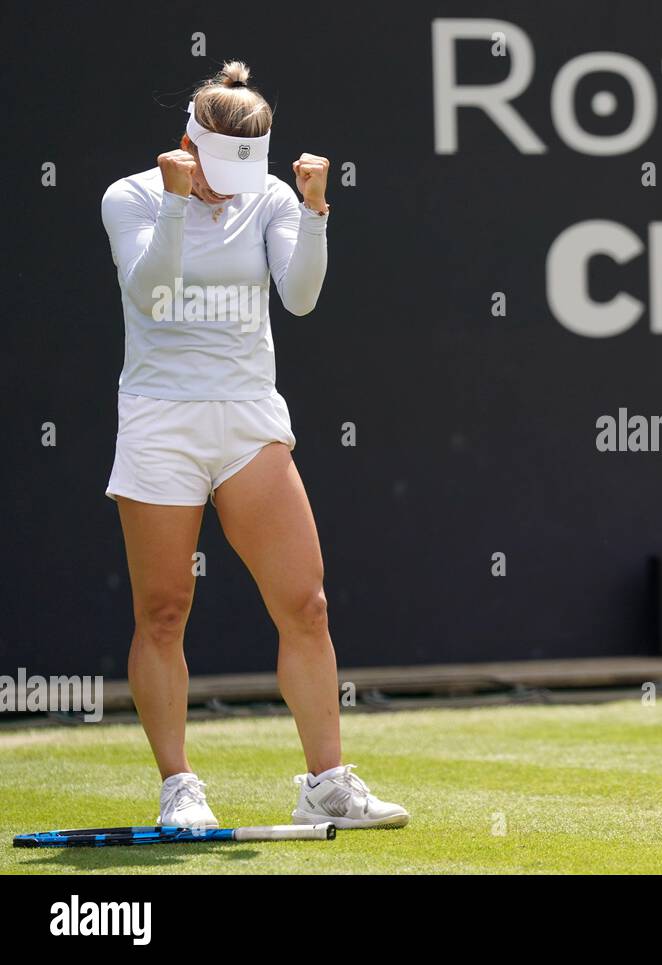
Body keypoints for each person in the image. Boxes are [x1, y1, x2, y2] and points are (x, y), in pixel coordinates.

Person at [100, 60, 407, 830]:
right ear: (185, 146)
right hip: (159, 420)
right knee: (164, 612)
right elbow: (154, 294)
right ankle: (180, 788)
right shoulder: (131, 197)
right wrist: (175, 204)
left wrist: (314, 210)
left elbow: (299, 299)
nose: (231, 185)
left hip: (248, 419)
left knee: (305, 602)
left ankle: (327, 781)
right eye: (214, 167)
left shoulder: (269, 196)